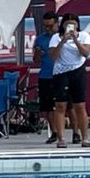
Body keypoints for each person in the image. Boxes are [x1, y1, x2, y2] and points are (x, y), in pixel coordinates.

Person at [50, 12, 90, 148]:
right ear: (63, 25)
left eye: (73, 24)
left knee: (79, 106)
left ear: (77, 25)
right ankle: (61, 138)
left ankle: (85, 137)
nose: (71, 27)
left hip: (77, 71)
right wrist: (63, 41)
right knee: (60, 106)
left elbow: (85, 53)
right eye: (68, 25)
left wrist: (75, 40)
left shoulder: (84, 36)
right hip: (61, 73)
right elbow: (53, 57)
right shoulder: (56, 38)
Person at [33, 10, 61, 145]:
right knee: (48, 108)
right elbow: (36, 60)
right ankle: (54, 131)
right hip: (45, 75)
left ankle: (75, 132)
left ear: (57, 24)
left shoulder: (63, 38)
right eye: (46, 26)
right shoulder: (40, 39)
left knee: (68, 106)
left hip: (61, 75)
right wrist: (38, 53)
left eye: (51, 26)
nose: (48, 29)